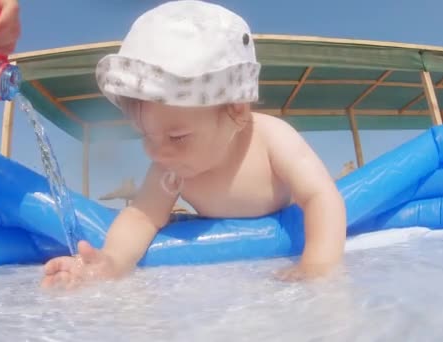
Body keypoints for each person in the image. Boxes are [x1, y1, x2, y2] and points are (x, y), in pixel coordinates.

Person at [41, 0, 347, 290]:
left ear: (237, 110)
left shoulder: (271, 138)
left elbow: (320, 196)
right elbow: (142, 216)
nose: (157, 152)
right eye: (146, 135)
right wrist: (112, 262)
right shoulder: (171, 167)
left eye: (177, 137)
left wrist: (317, 265)